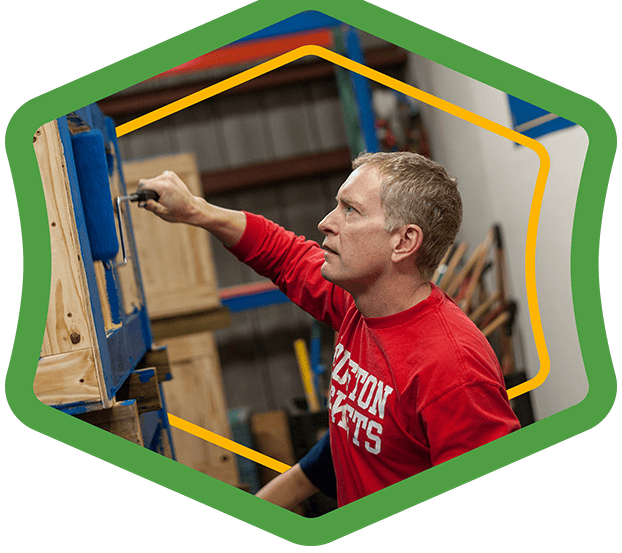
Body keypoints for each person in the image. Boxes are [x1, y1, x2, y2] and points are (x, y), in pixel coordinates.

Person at [138, 151, 521, 508]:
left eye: (350, 210)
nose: (326, 222)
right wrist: (195, 210)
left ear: (404, 241)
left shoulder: (453, 369)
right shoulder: (357, 303)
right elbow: (282, 254)